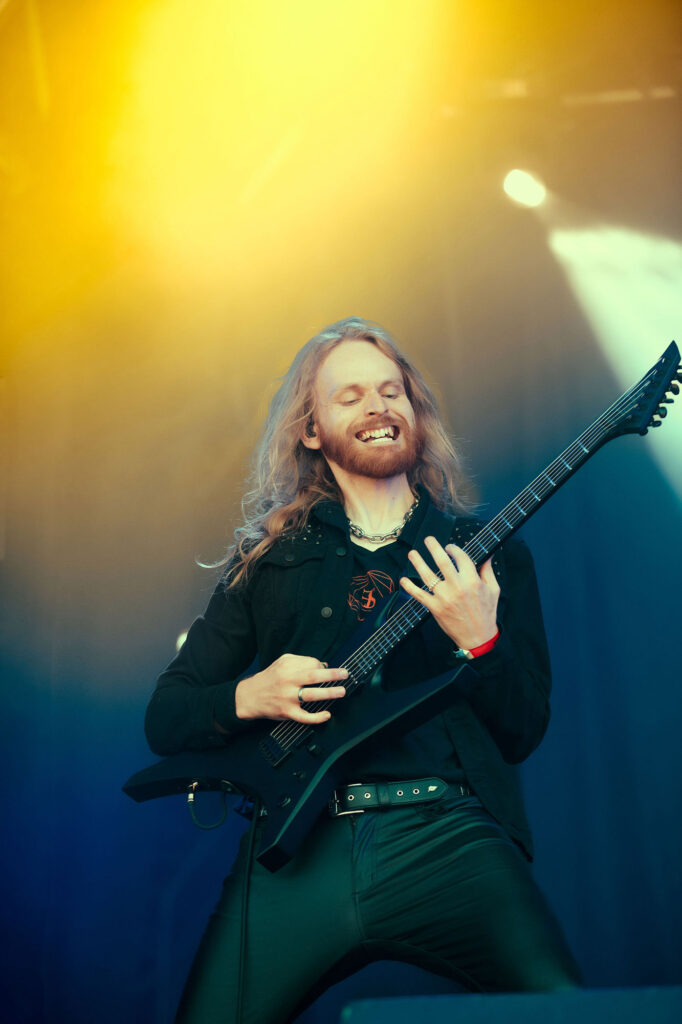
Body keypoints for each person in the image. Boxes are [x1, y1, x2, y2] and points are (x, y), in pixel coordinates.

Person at [144, 317, 581, 1024]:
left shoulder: (482, 552)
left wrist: (482, 641)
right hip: (299, 850)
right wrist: (252, 693)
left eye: (391, 391)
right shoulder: (268, 562)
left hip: (446, 834)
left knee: (568, 1011)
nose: (378, 406)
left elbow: (524, 729)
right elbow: (166, 718)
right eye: (350, 396)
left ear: (415, 410)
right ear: (311, 429)